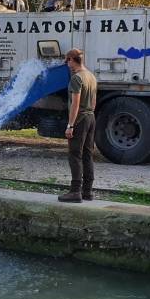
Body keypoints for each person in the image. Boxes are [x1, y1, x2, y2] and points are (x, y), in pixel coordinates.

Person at [58, 49, 97, 203]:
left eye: (67, 61)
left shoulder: (77, 78)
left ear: (72, 59)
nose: (66, 64)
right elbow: (93, 103)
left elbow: (75, 104)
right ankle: (87, 191)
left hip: (79, 119)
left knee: (75, 155)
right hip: (91, 117)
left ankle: (75, 192)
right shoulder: (91, 76)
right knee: (88, 155)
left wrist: (70, 125)